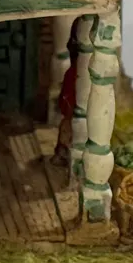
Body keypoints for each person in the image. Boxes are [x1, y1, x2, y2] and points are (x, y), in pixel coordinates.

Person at [52, 34, 81, 165]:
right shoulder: (73, 73)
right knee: (68, 128)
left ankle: (63, 153)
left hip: (74, 107)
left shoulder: (74, 72)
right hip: (72, 108)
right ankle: (62, 153)